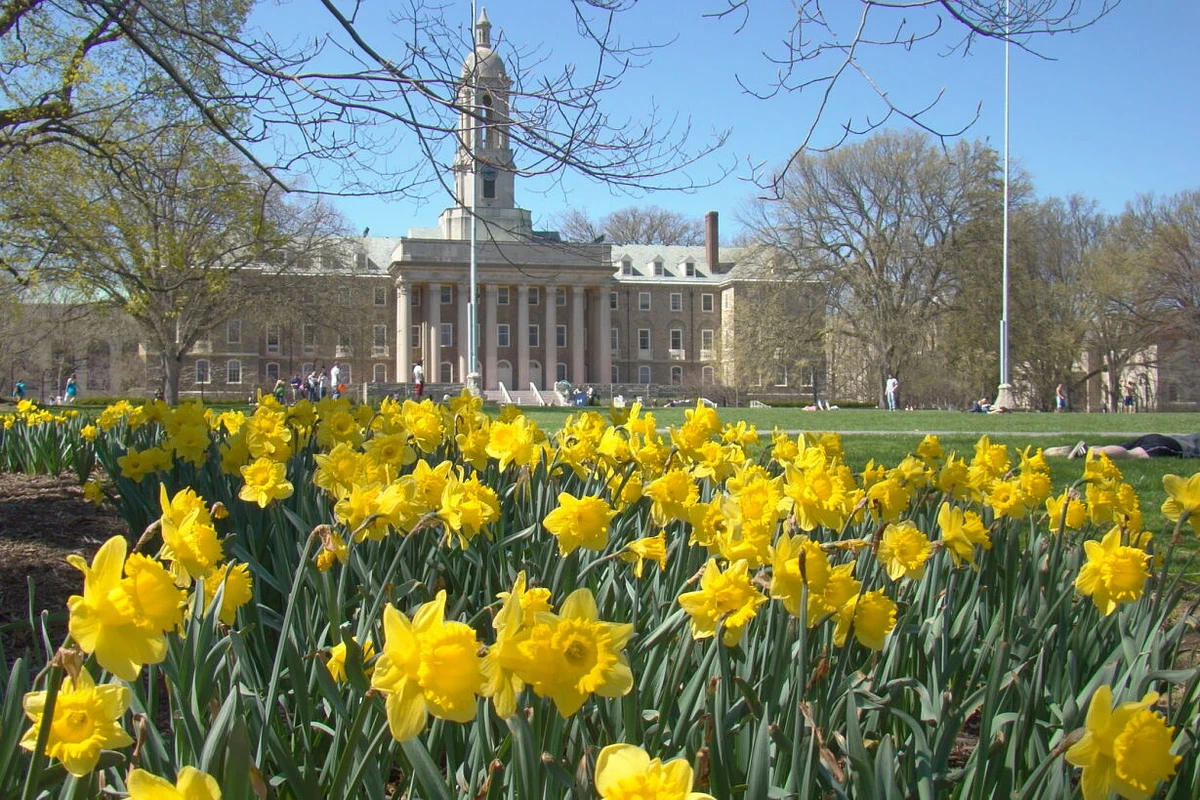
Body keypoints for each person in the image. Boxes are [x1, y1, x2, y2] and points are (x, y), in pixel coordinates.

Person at [1045, 433, 1200, 460]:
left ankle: (1065, 451)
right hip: (1169, 445)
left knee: (1118, 449)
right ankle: (1090, 451)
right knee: (1131, 455)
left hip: (1158, 438)